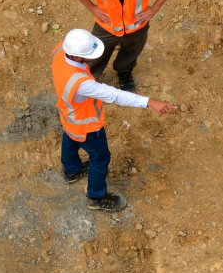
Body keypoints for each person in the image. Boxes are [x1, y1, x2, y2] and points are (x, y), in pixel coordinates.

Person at [51, 29, 177, 212]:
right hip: (87, 127)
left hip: (68, 116)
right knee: (100, 158)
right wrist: (149, 101)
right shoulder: (82, 84)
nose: (93, 58)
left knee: (69, 138)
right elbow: (114, 95)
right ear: (77, 57)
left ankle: (72, 171)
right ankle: (96, 197)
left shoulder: (59, 50)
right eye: (89, 56)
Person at [69, 0, 175, 91]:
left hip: (137, 27)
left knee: (132, 52)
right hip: (106, 27)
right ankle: (89, 79)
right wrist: (92, 8)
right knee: (95, 55)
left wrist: (153, 9)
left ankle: (124, 71)